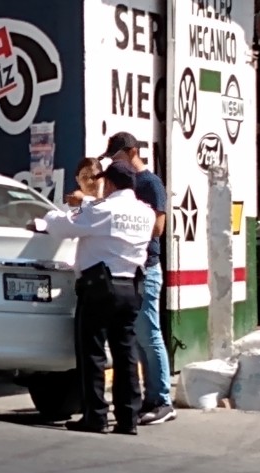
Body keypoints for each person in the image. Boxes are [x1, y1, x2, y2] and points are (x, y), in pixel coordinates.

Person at [28, 161, 154, 435]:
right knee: (126, 355)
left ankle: (95, 416)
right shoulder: (146, 213)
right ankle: (128, 419)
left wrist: (47, 218)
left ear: (108, 183)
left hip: (100, 288)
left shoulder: (103, 209)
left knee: (93, 353)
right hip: (132, 287)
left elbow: (64, 227)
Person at [100, 132, 176, 425]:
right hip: (130, 269)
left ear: (132, 152)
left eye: (118, 157)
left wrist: (127, 225)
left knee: (149, 334)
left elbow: (158, 228)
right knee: (138, 338)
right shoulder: (121, 187)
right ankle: (150, 397)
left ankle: (162, 400)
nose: (116, 163)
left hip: (148, 267)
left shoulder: (150, 184)